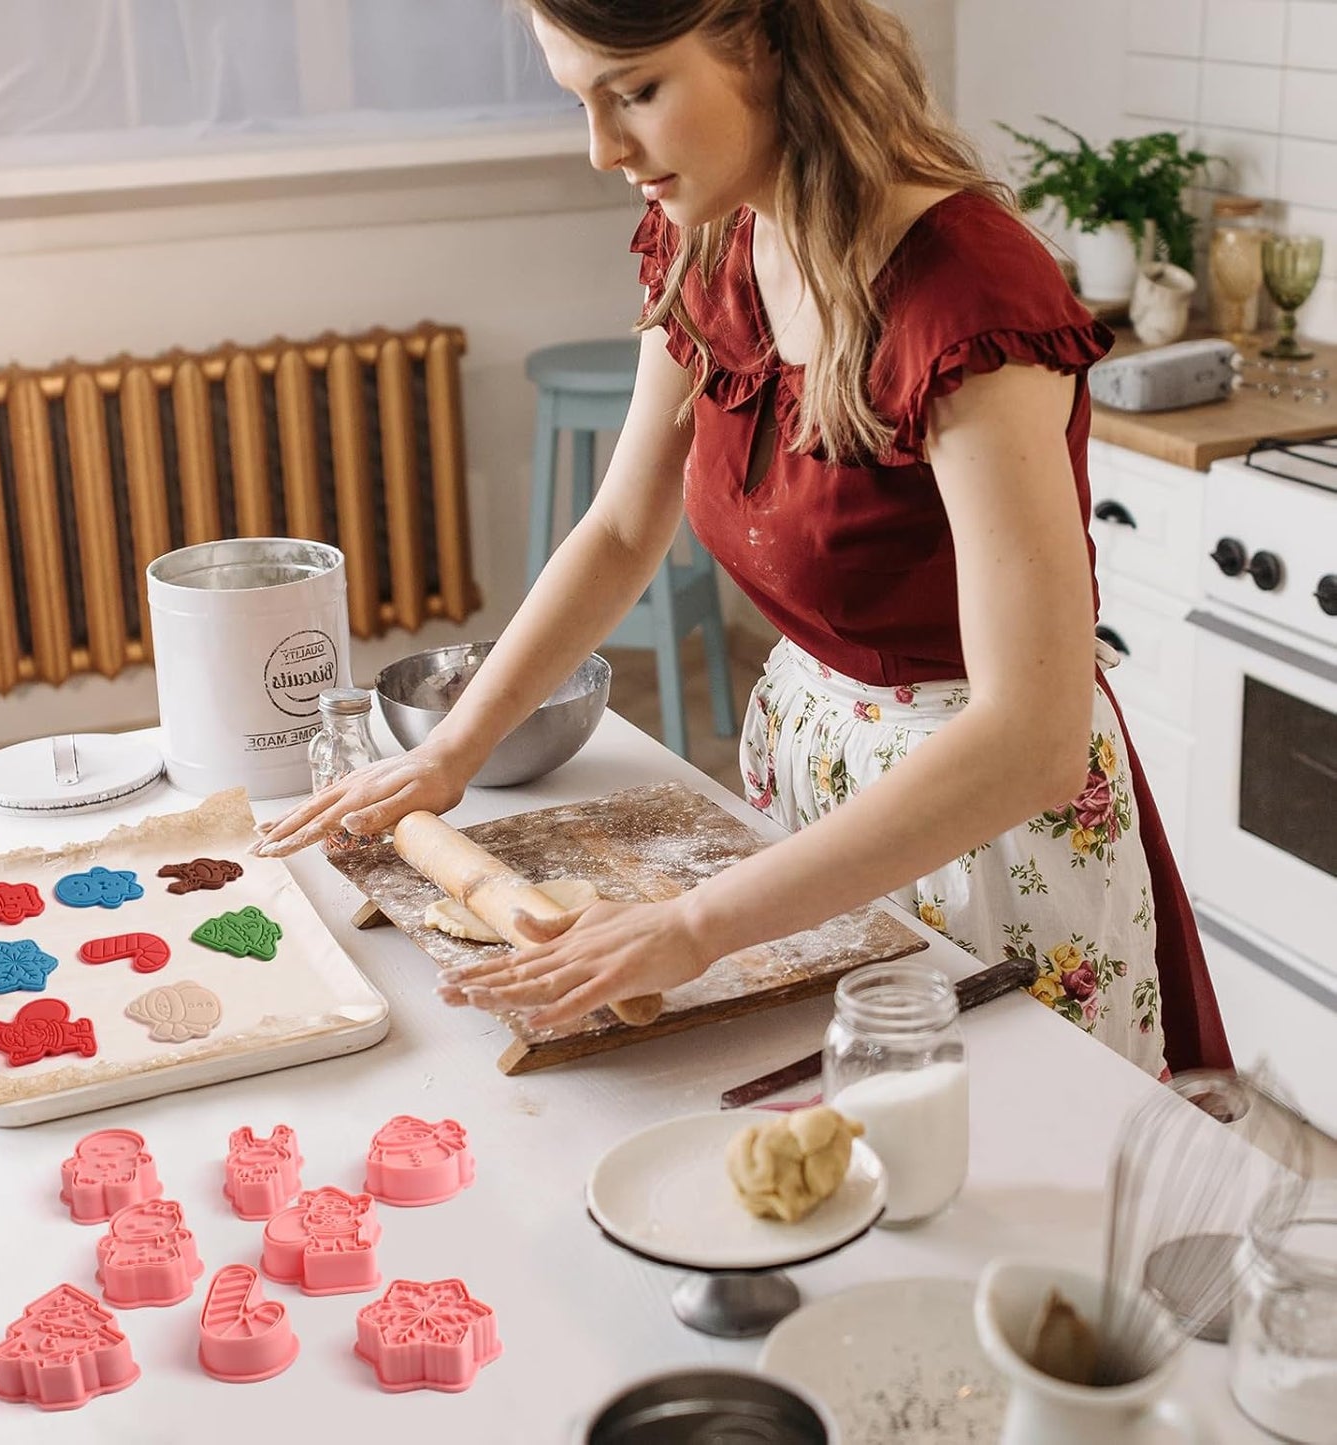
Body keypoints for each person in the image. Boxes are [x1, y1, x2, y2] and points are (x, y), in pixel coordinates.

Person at [257, 0, 1230, 1076]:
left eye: (636, 92)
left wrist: (690, 926)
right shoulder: (714, 234)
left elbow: (1030, 740)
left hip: (981, 831)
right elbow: (625, 524)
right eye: (579, 98)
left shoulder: (963, 295)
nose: (601, 149)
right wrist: (451, 749)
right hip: (810, 780)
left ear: (767, 40)